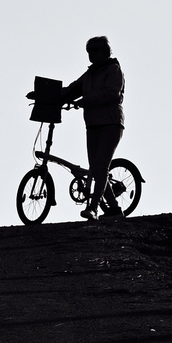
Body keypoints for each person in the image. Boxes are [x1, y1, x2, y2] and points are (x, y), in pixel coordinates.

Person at [62, 36, 126, 220]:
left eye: (95, 51)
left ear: (105, 52)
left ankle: (93, 207)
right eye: (89, 52)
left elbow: (111, 93)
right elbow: (71, 90)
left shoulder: (114, 70)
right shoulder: (89, 75)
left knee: (100, 167)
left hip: (111, 123)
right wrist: (47, 96)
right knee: (96, 169)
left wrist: (86, 100)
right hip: (93, 124)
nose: (91, 55)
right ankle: (113, 209)